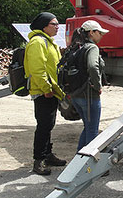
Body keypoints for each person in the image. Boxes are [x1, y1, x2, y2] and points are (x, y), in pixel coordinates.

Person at [24, 12, 67, 175]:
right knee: (43, 126)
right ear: (44, 26)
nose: (57, 27)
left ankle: (47, 155)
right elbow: (37, 69)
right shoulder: (38, 42)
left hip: (51, 91)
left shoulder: (48, 42)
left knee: (48, 124)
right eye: (53, 24)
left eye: (57, 24)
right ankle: (39, 161)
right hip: (43, 92)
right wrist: (46, 89)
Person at [68, 20, 108, 152]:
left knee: (87, 127)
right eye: (100, 32)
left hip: (75, 95)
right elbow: (92, 66)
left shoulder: (76, 47)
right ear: (91, 32)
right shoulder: (92, 48)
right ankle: (89, 166)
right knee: (92, 130)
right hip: (89, 95)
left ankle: (79, 158)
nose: (102, 35)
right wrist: (98, 86)